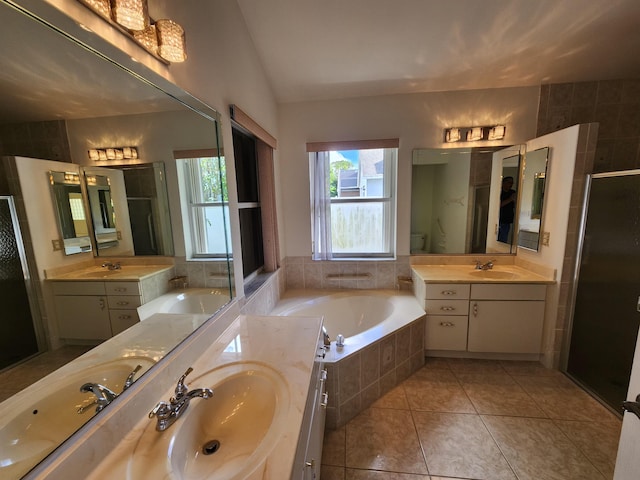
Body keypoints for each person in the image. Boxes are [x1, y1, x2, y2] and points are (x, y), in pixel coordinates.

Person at [498, 176, 516, 243]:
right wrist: (510, 199)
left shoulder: (513, 192)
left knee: (503, 240)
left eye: (512, 183)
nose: (511, 184)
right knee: (497, 239)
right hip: (499, 220)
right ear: (504, 183)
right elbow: (498, 205)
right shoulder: (499, 192)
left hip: (507, 221)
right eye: (509, 182)